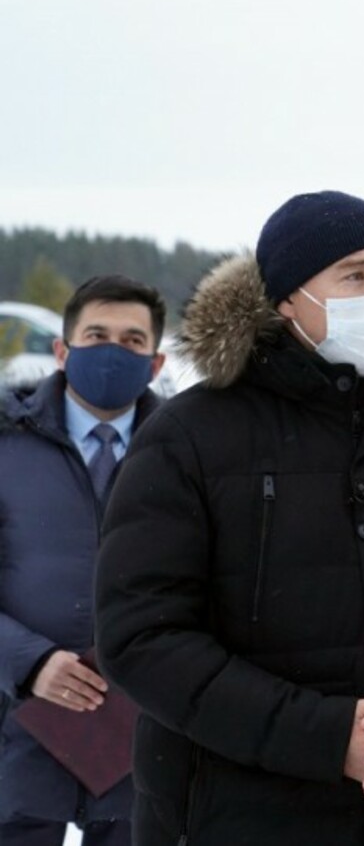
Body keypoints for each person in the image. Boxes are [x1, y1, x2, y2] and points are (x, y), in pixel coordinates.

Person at [94, 191, 364, 846]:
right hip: (227, 818)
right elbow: (143, 635)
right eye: (354, 275)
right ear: (286, 300)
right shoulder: (189, 437)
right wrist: (327, 738)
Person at [0, 275, 166, 846]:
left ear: (157, 362)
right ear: (62, 350)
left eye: (132, 340)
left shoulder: (187, 453)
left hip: (142, 739)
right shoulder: (6, 443)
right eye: (96, 335)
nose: (112, 351)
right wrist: (29, 663)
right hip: (17, 729)